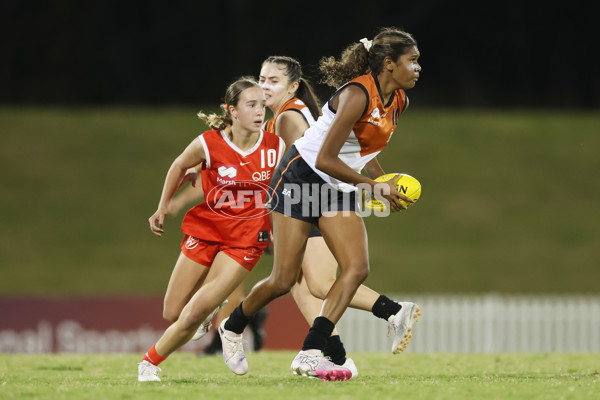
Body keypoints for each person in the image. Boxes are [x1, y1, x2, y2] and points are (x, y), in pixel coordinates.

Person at [218, 27, 422, 381]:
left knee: (356, 268)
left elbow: (365, 152)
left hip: (336, 184)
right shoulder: (357, 94)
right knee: (283, 280)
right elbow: (326, 158)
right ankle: (232, 327)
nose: (418, 68)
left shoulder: (399, 101)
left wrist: (383, 186)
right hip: (300, 176)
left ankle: (310, 353)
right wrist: (373, 186)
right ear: (389, 63)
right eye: (413, 61)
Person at [138, 77, 285, 382]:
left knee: (193, 313)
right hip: (206, 231)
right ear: (231, 110)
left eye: (263, 105)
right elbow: (179, 165)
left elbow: (287, 187)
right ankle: (211, 312)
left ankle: (149, 363)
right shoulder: (209, 142)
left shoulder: (275, 146)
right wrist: (163, 206)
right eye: (251, 105)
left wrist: (281, 227)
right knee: (174, 312)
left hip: (246, 240)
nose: (261, 112)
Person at [166, 172, 268, 355]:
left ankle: (220, 341)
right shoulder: (213, 147)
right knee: (180, 308)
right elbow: (203, 175)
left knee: (228, 287)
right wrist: (180, 199)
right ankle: (249, 311)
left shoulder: (265, 149)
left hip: (245, 228)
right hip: (214, 228)